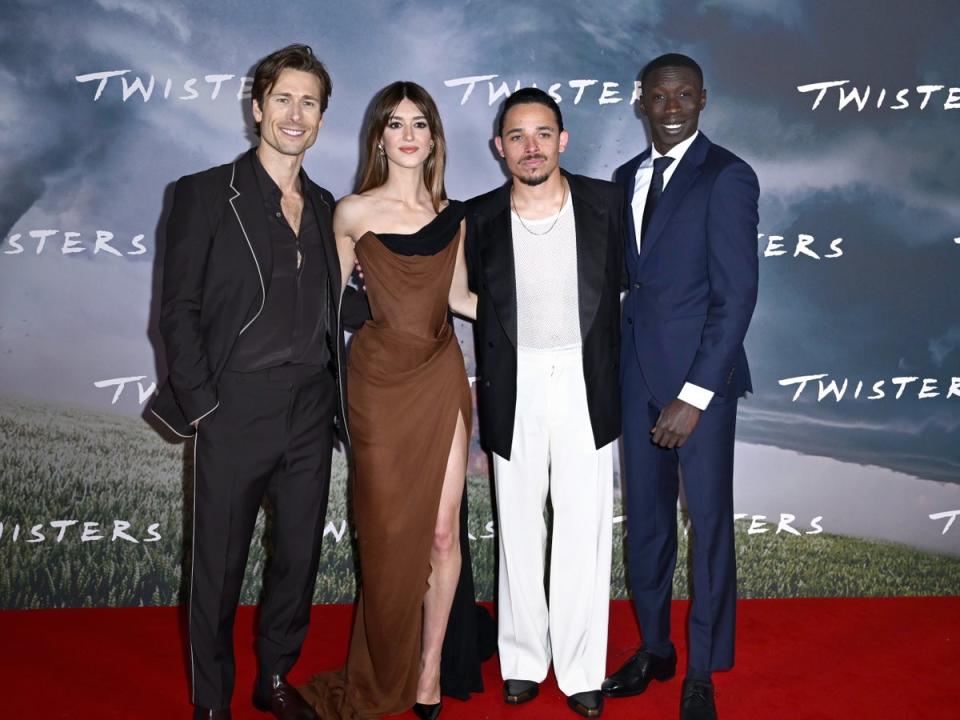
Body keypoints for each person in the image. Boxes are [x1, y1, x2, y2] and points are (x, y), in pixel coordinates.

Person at [150, 45, 368, 720]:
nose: (295, 114)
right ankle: (212, 702)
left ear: (322, 117)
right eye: (283, 99)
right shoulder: (205, 194)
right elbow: (177, 312)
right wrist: (206, 407)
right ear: (257, 107)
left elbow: (339, 304)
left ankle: (274, 676)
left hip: (310, 407)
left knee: (296, 560)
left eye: (309, 102)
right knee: (217, 567)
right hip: (235, 405)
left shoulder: (330, 205)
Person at [299, 81, 480, 720]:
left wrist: (543, 314)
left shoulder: (452, 214)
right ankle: (381, 667)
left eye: (420, 123)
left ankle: (428, 671)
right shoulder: (350, 212)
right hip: (376, 382)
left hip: (440, 373)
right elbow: (325, 303)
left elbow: (461, 299)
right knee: (384, 534)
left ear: (433, 138)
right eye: (395, 123)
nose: (408, 134)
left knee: (439, 531)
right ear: (379, 135)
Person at [602, 54, 760, 720]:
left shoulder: (726, 175)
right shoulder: (623, 178)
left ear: (702, 100)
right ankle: (657, 647)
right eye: (658, 95)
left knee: (709, 529)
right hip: (634, 377)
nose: (670, 107)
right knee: (645, 527)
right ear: (640, 101)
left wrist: (695, 395)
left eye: (683, 95)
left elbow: (737, 295)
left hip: (701, 388)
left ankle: (702, 668)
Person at [464, 88, 623, 718]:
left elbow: (626, 291)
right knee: (519, 527)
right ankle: (524, 661)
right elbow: (461, 292)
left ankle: (583, 668)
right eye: (517, 136)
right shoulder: (478, 218)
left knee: (584, 529)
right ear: (499, 147)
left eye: (543, 133)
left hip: (588, 378)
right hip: (516, 378)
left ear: (563, 138)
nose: (531, 147)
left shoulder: (607, 205)